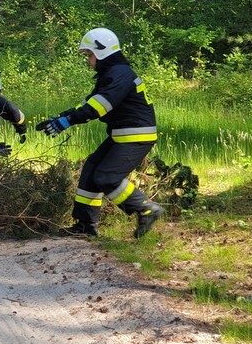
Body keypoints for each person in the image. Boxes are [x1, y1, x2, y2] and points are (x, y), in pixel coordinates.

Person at [36, 27, 163, 239]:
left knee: (107, 177)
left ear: (102, 51)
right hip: (123, 135)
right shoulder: (111, 74)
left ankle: (146, 209)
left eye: (90, 55)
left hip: (135, 136)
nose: (88, 61)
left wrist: (68, 122)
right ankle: (86, 225)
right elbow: (88, 103)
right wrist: (62, 116)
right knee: (92, 169)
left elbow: (99, 107)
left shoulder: (120, 74)